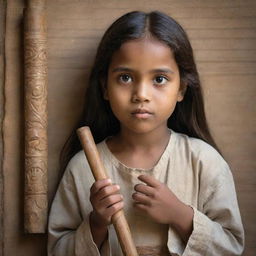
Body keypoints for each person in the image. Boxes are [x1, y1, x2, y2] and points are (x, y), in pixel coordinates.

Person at [48, 11, 244, 256]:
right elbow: (57, 249)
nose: (141, 94)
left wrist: (180, 215)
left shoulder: (204, 162)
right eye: (125, 77)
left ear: (181, 89)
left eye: (159, 79)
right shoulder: (82, 168)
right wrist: (97, 224)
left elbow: (232, 247)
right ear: (104, 87)